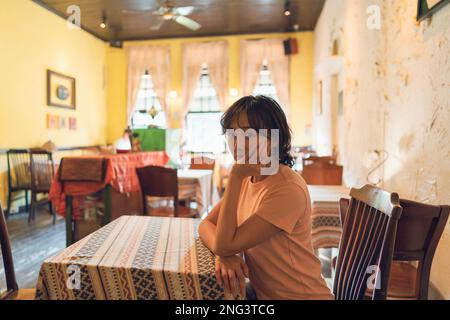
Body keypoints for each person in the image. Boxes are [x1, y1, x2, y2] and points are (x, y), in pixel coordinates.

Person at [199, 95, 333, 300]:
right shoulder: (248, 177)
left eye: (250, 134)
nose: (238, 142)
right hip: (263, 293)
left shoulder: (287, 189)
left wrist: (224, 248)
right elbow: (206, 224)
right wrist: (224, 254)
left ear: (275, 138)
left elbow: (223, 242)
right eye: (232, 133)